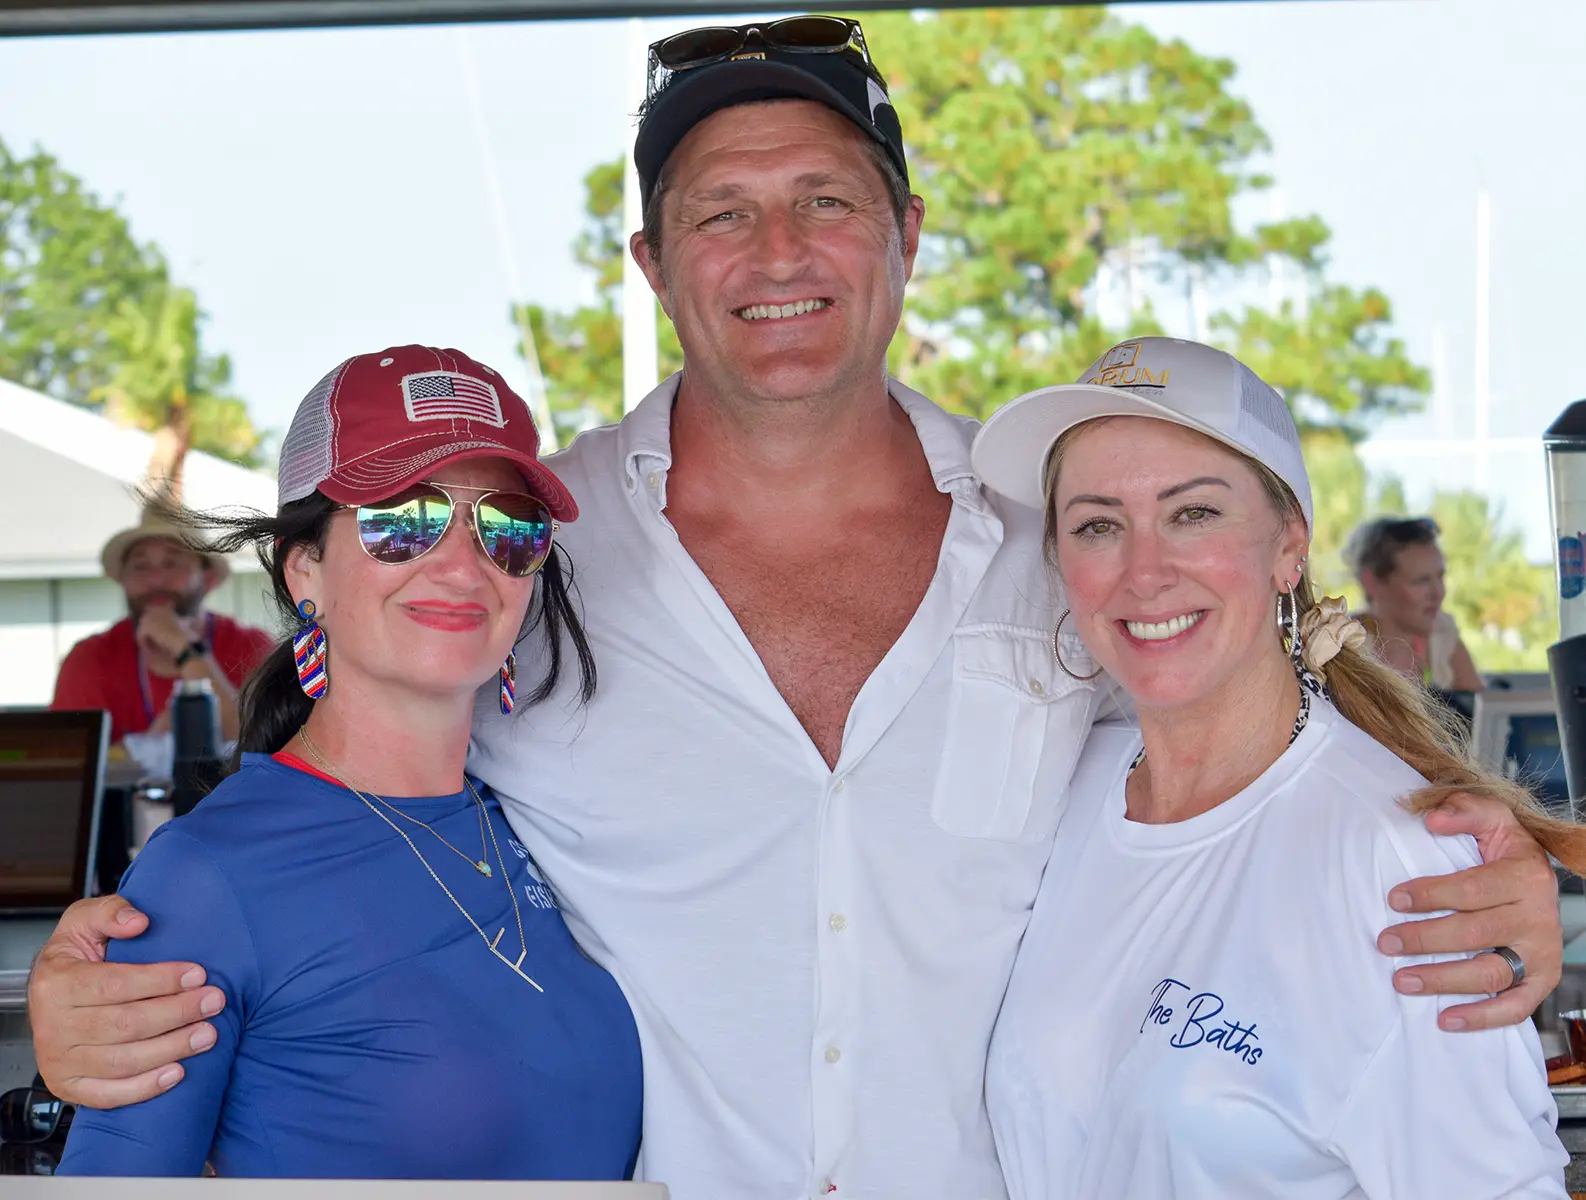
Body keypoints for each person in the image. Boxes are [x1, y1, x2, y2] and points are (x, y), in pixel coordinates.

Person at [26, 18, 1564, 1199]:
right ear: (647, 262)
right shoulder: (524, 553)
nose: (777, 254)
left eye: (825, 201)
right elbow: (347, 796)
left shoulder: (1057, 538)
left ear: (905, 234)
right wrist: (107, 990)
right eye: (719, 213)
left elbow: (1234, 753)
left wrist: (1475, 865)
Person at [975, 337, 1577, 1198]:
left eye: (1193, 514)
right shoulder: (1064, 791)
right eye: (1099, 524)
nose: (1145, 572)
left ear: (1288, 544)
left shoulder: (1396, 859)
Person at [55, 346, 642, 1177]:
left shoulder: (542, 819)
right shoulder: (206, 875)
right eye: (403, 518)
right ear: (306, 571)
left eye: (509, 526)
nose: (462, 560)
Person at [51, 513, 274, 744]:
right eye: (140, 566)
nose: (156, 580)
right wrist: (153, 743)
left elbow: (263, 747)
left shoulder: (253, 648)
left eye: (172, 563)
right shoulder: (89, 659)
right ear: (123, 581)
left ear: (208, 579)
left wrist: (187, 649)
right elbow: (69, 765)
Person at [1345, 514, 1485, 691]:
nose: (1439, 593)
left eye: (1440, 577)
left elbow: (1483, 710)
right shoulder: (1345, 645)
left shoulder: (1442, 636)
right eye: (1421, 581)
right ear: (1372, 583)